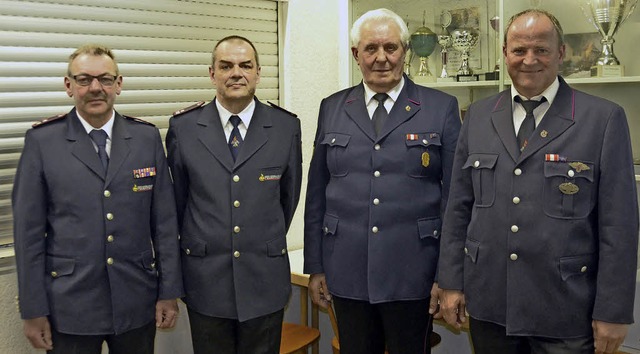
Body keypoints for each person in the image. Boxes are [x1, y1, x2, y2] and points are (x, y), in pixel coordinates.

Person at [438, 9, 638, 354]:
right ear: (505, 54)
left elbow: (619, 227)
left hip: (565, 308)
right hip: (491, 304)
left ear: (560, 53)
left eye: (541, 50)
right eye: (518, 50)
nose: (529, 60)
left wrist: (614, 310)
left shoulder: (602, 119)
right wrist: (451, 283)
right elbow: (458, 208)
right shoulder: (478, 117)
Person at [304, 8, 461, 354]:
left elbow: (455, 200)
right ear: (355, 54)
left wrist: (447, 276)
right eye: (371, 48)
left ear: (404, 52)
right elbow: (316, 194)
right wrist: (315, 266)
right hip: (346, 270)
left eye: (390, 48)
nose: (381, 58)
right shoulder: (332, 107)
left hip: (414, 271)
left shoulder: (440, 107)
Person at [13, 44, 183, 354]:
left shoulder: (145, 139)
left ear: (118, 84)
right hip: (70, 306)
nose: (95, 88)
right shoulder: (42, 142)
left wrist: (168, 292)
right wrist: (33, 309)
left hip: (136, 298)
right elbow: (28, 236)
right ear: (69, 86)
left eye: (105, 79)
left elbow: (165, 224)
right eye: (84, 79)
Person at [166, 35, 302, 354]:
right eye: (226, 66)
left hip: (263, 280)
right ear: (212, 74)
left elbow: (288, 198)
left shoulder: (285, 127)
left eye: (245, 65)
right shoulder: (184, 128)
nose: (236, 73)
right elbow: (179, 202)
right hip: (206, 282)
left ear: (258, 72)